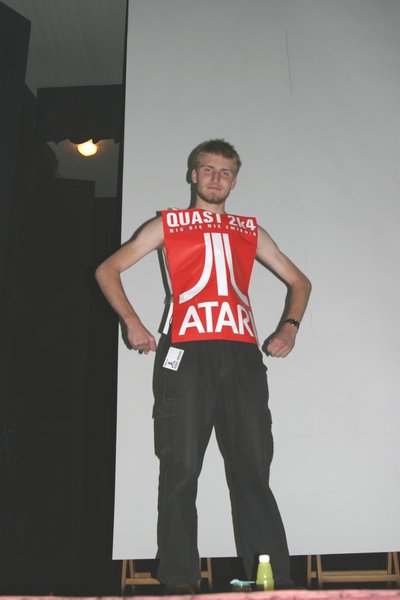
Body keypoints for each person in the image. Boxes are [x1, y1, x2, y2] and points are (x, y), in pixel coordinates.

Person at [95, 139, 311, 594]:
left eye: (225, 172)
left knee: (253, 469)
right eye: (208, 169)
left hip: (241, 356)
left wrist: (289, 328)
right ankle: (179, 581)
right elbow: (107, 270)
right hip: (186, 354)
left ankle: (271, 580)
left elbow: (299, 281)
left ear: (235, 180)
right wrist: (132, 323)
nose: (216, 178)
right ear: (193, 175)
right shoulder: (168, 224)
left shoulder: (249, 230)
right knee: (180, 470)